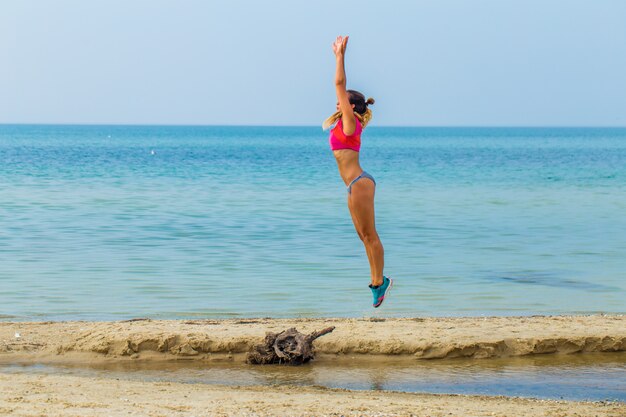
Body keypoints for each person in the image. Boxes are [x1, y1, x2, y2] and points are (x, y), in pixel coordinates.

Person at [323, 35, 393, 308]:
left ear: (351, 107)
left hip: (361, 182)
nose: (337, 104)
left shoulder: (350, 123)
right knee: (363, 235)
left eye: (341, 102)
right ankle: (378, 281)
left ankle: (379, 282)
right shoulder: (343, 124)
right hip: (352, 185)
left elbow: (339, 84)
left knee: (371, 234)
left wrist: (339, 57)